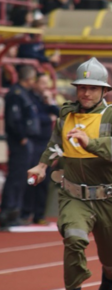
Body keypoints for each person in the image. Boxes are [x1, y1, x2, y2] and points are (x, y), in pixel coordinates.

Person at [27, 57, 112, 290]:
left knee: (110, 258)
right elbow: (56, 143)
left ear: (103, 91)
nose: (85, 93)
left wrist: (92, 143)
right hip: (73, 194)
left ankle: (110, 275)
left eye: (92, 88)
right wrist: (42, 165)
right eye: (81, 87)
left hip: (108, 198)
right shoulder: (66, 114)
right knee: (74, 237)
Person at [0, 66, 39, 229]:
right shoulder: (16, 94)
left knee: (21, 176)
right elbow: (13, 119)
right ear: (29, 79)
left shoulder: (25, 94)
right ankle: (7, 213)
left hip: (26, 140)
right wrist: (22, 137)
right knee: (16, 176)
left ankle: (14, 211)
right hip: (19, 142)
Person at [21, 73, 60, 225]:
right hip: (33, 143)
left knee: (44, 181)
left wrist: (50, 101)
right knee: (31, 178)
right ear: (35, 83)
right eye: (42, 83)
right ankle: (25, 213)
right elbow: (35, 119)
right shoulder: (29, 98)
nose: (45, 87)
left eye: (47, 83)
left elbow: (59, 114)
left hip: (46, 143)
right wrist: (48, 117)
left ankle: (39, 214)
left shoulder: (44, 101)